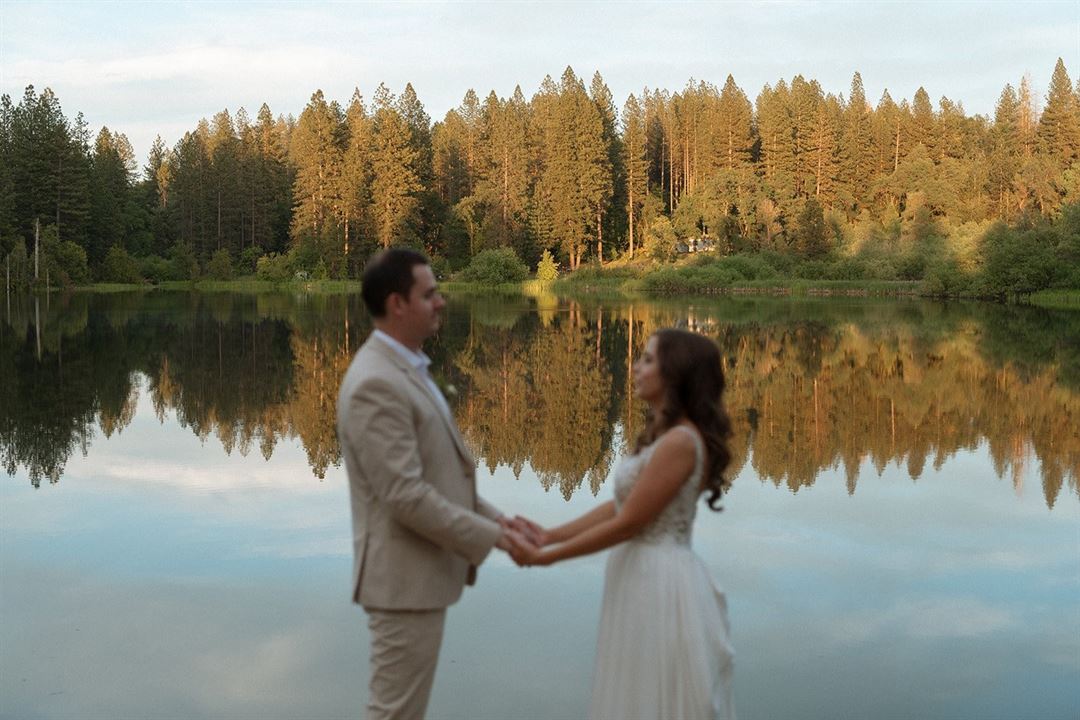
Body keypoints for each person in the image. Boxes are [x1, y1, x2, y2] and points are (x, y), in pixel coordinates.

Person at [336, 247, 531, 720]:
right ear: (397, 304)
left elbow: (439, 478)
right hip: (401, 584)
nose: (441, 302)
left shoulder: (407, 368)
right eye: (429, 294)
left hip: (417, 581)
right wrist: (494, 537)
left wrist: (502, 521)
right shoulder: (376, 383)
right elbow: (405, 497)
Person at [513, 328, 737, 720]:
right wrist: (549, 535)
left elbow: (628, 523)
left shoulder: (681, 443)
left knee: (654, 695)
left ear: (674, 373)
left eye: (648, 360)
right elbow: (620, 507)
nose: (635, 367)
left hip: (661, 582)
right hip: (641, 574)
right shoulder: (665, 438)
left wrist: (545, 558)